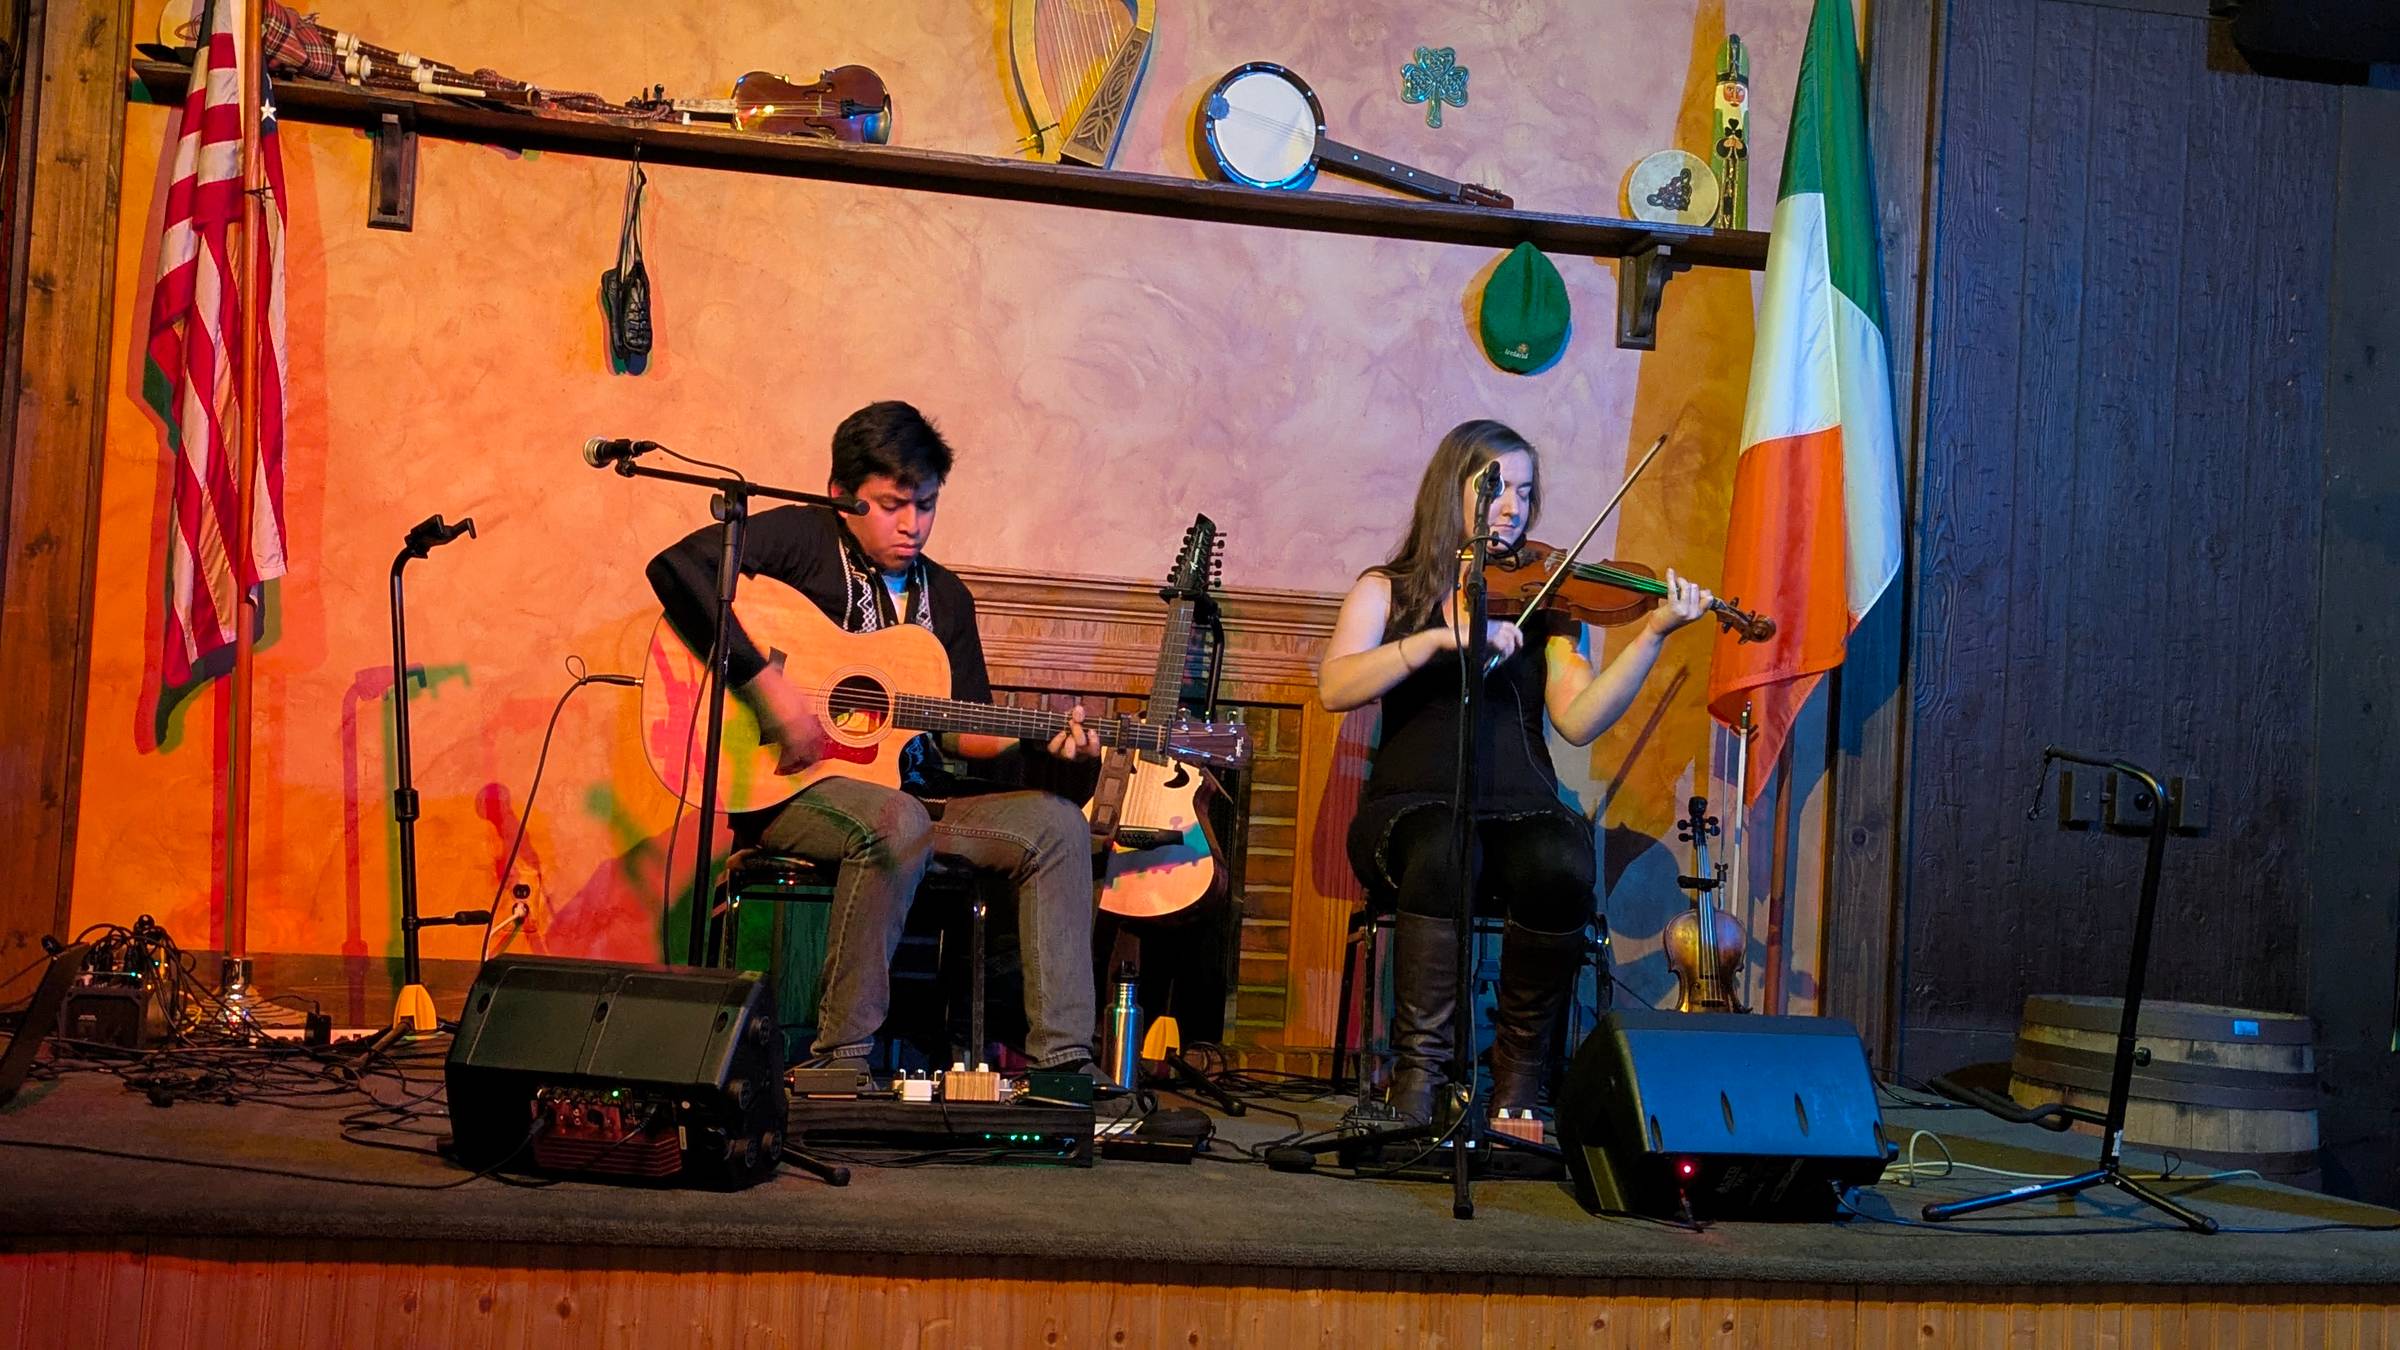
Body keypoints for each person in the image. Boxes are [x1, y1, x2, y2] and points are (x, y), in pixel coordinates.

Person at [646, 401, 1103, 1077]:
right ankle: (842, 1059)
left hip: (913, 802)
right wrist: (764, 687)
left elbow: (968, 731)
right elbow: (675, 568)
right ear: (841, 495)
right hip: (792, 796)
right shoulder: (802, 541)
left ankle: (1065, 1066)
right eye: (893, 505)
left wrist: (1040, 742)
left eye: (926, 505)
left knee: (1057, 825)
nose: (913, 525)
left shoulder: (945, 597)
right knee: (894, 819)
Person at [1315, 419, 1711, 1123]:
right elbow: (1336, 685)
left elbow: (1578, 718)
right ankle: (1418, 1080)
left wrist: (1650, 636)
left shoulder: (1552, 604)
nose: (1512, 506)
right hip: (1410, 811)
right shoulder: (1390, 589)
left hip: (1520, 811)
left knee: (1562, 862)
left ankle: (1519, 1085)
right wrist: (1438, 639)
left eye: (1525, 493)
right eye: (1496, 487)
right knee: (1441, 848)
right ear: (1452, 490)